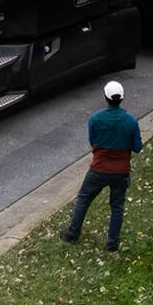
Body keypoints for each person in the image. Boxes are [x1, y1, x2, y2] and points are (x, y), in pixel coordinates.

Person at [61, 80, 143, 253]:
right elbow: (137, 147)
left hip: (98, 169)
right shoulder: (130, 121)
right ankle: (112, 245)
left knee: (83, 198)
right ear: (122, 98)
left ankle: (73, 234)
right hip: (121, 171)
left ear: (105, 98)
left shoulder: (95, 119)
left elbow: (93, 141)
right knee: (117, 206)